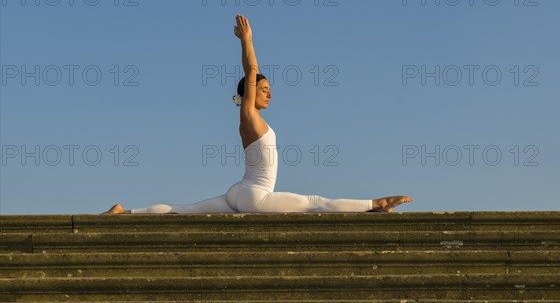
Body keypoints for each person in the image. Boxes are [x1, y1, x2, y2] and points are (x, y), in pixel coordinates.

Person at [102, 14, 413, 214]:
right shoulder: (248, 115)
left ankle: (125, 213)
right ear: (250, 93)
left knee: (186, 210)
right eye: (265, 89)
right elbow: (251, 69)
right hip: (254, 196)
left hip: (237, 192)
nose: (269, 93)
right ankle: (378, 204)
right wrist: (247, 41)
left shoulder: (252, 121)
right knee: (317, 203)